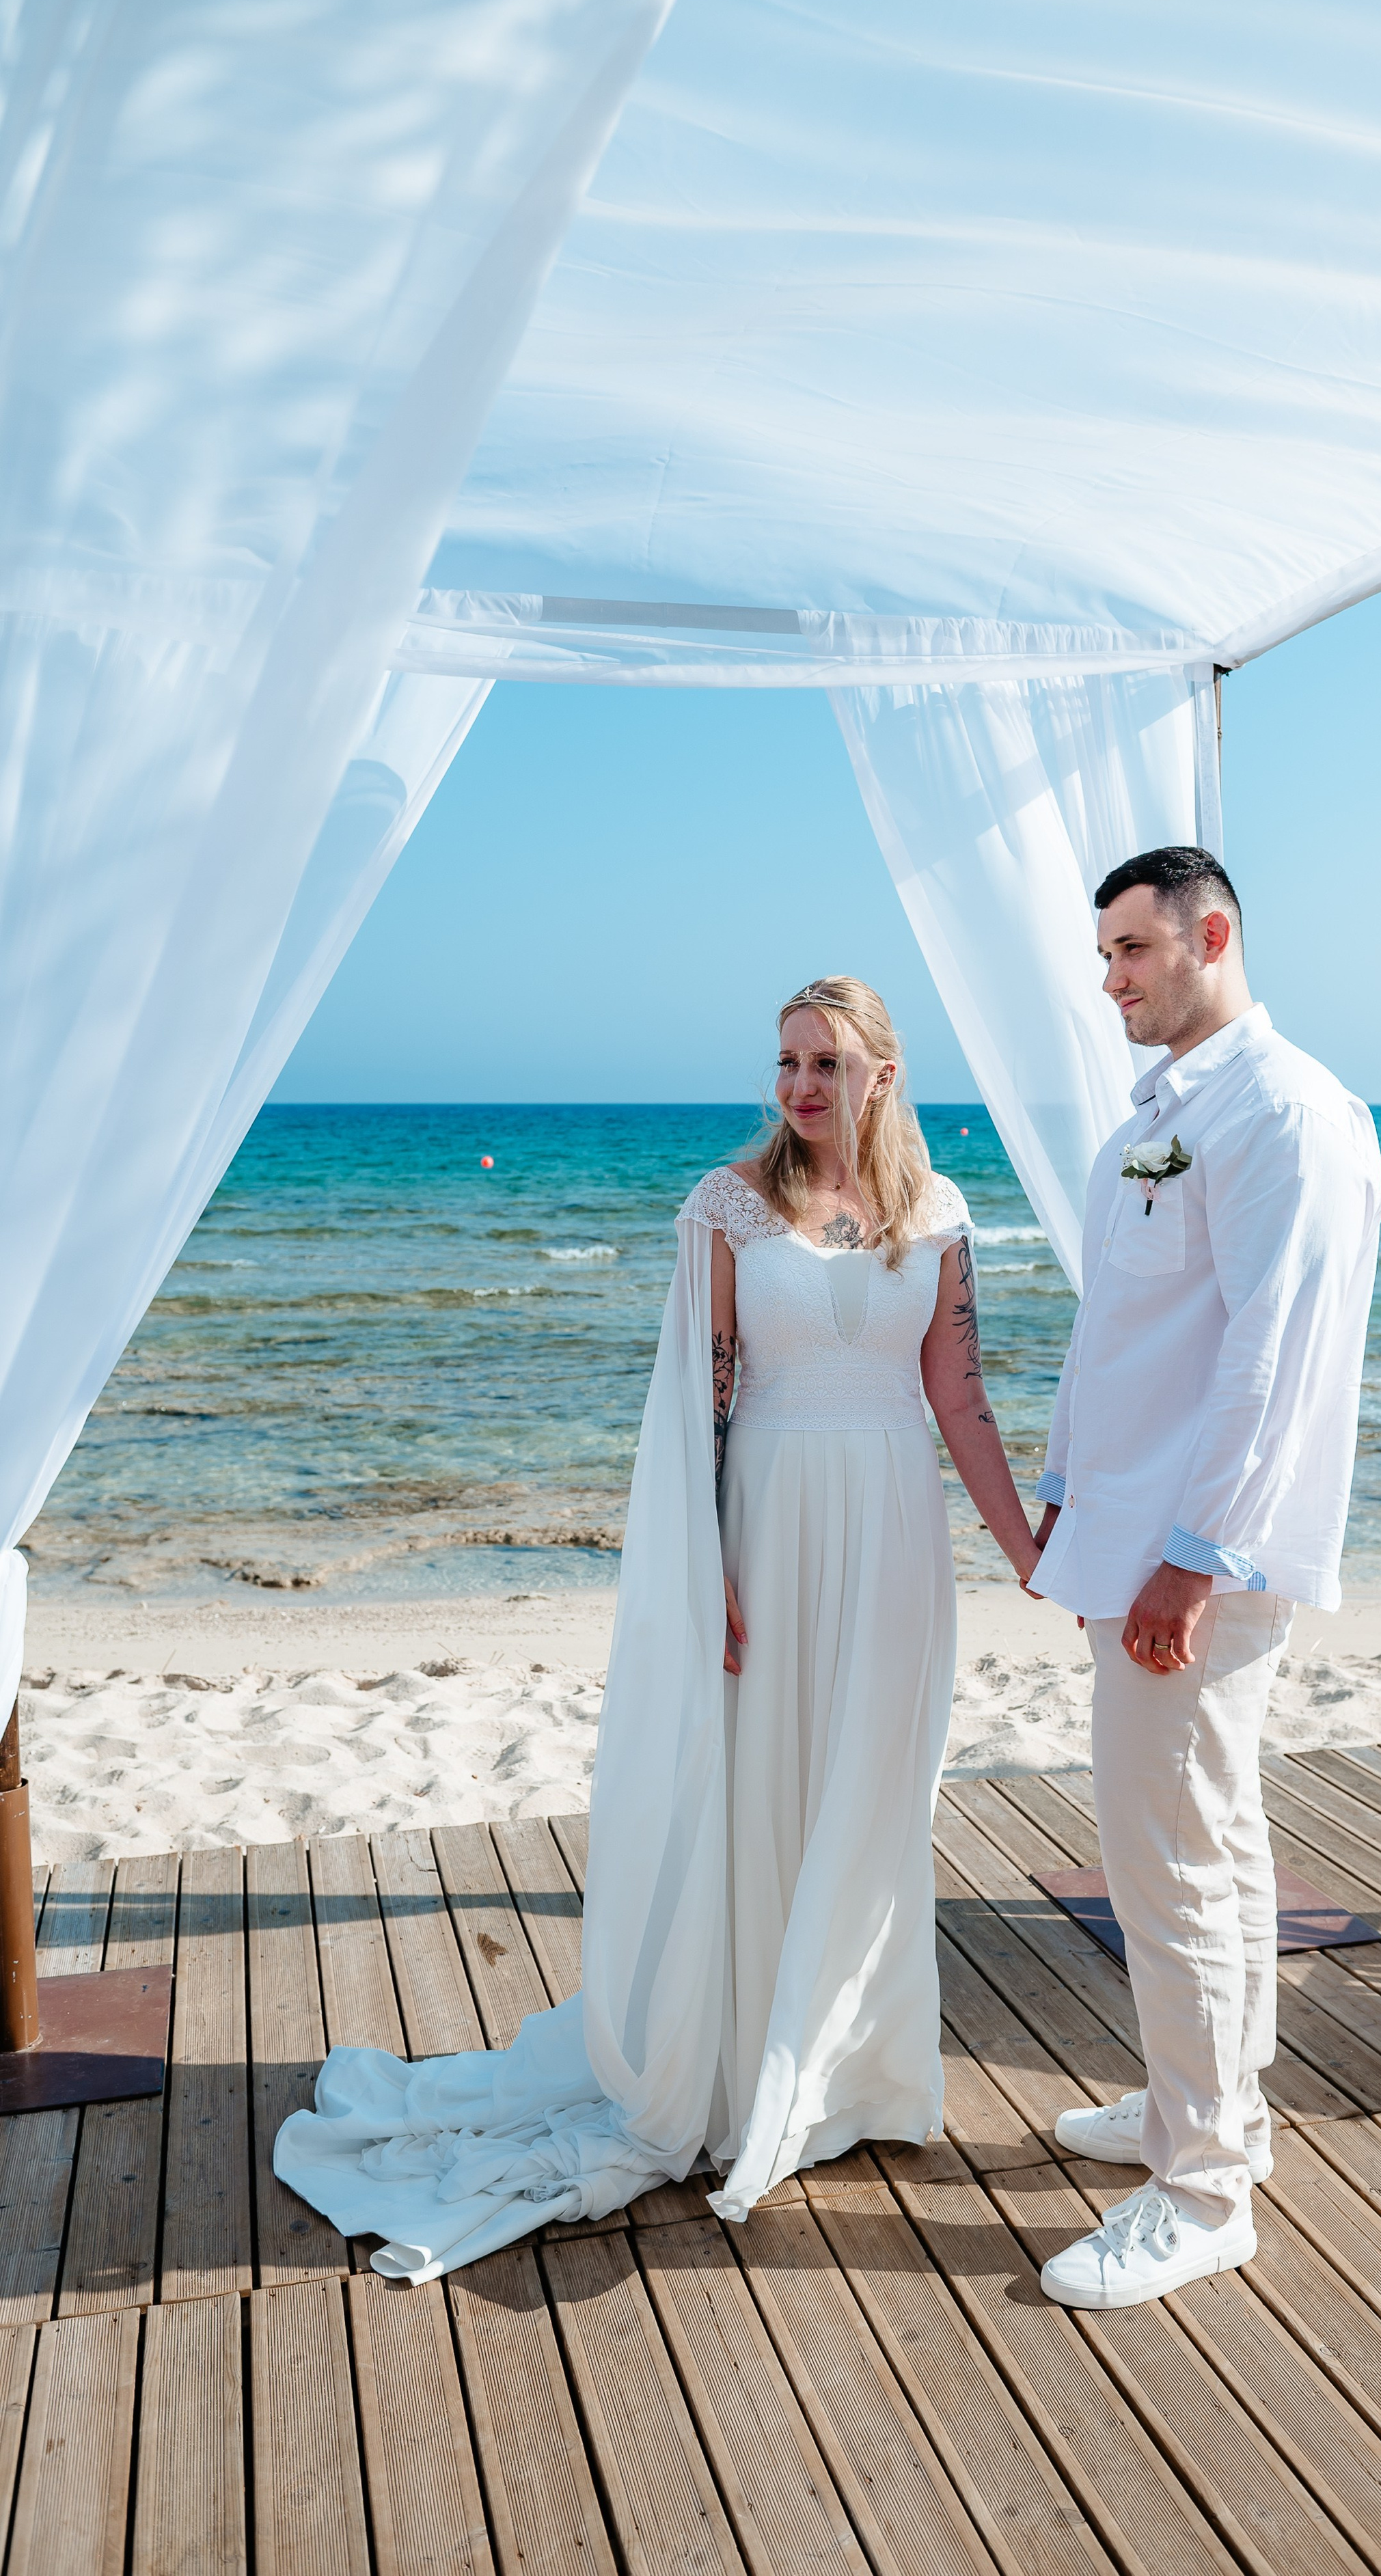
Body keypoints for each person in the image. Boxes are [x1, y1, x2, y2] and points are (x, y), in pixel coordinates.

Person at [274, 975, 1040, 2277]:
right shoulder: (726, 1206)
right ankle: (748, 2070)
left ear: (884, 1074)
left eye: (827, 1063)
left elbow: (959, 1395)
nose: (801, 1086)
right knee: (761, 1784)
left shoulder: (941, 1212)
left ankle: (852, 2072)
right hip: (767, 1526)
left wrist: (1030, 1552)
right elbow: (705, 1401)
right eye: (787, 1061)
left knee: (872, 1792)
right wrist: (708, 1565)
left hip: (897, 1539)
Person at [1027, 847, 1381, 2312]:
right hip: (1133, 1533)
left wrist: (1194, 1558)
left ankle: (1200, 2191)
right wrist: (1064, 1484)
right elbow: (1116, 1325)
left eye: (1130, 950)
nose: (1109, 979)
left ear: (1210, 934)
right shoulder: (1160, 1115)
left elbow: (1272, 1358)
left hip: (1197, 1554)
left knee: (1167, 1863)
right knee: (1209, 1846)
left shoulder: (1284, 1112)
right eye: (1103, 954)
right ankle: (1210, 2110)